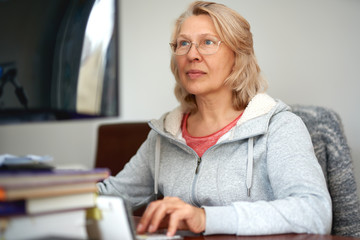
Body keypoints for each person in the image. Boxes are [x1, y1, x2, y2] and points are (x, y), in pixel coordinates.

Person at [97, 1, 332, 237]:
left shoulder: (279, 127)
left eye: (207, 42)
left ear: (238, 55)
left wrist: (205, 218)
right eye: (183, 43)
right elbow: (111, 196)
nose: (191, 54)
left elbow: (314, 212)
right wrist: (63, 190)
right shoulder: (163, 136)